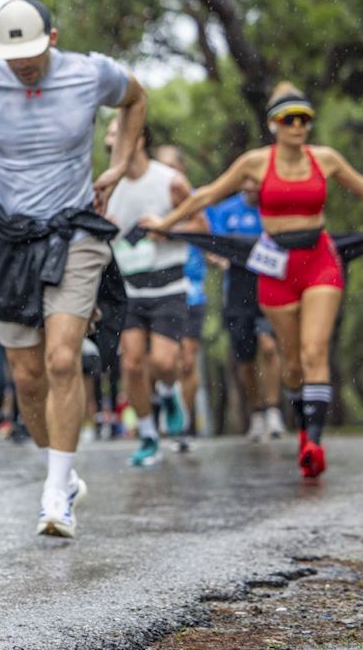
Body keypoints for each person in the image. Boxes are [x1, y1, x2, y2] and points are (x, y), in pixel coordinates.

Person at [0, 0, 147, 539]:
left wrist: (119, 165)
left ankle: (55, 495)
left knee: (60, 358)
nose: (22, 64)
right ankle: (63, 471)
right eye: (13, 55)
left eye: (31, 52)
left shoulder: (89, 72)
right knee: (26, 379)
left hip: (75, 230)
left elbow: (135, 97)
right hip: (12, 237)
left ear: (52, 38)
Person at [143, 83, 363, 479]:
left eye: (304, 119)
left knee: (315, 350)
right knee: (292, 361)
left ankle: (313, 441)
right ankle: (298, 415)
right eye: (288, 119)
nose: (298, 126)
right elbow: (206, 196)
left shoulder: (326, 159)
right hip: (276, 267)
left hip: (319, 261)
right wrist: (165, 223)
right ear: (273, 124)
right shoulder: (255, 164)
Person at [102, 121, 201, 467]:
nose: (109, 140)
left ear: (139, 137)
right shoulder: (106, 187)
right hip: (128, 287)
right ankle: (147, 435)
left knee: (162, 362)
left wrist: (167, 229)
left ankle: (168, 391)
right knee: (130, 363)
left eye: (118, 133)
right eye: (108, 136)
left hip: (169, 286)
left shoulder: (169, 181)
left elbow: (201, 228)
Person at [205, 176, 285, 440]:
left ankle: (274, 411)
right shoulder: (225, 211)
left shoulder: (275, 210)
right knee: (245, 359)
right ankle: (257, 411)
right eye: (249, 182)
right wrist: (218, 259)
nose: (253, 187)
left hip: (269, 286)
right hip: (237, 292)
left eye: (258, 182)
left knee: (269, 347)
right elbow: (211, 246)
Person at [155, 143, 207, 451]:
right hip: (157, 286)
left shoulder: (194, 197)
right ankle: (166, 396)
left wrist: (168, 228)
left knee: (188, 359)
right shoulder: (149, 196)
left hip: (191, 286)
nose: (168, 173)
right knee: (163, 359)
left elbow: (203, 227)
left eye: (173, 166)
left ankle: (183, 427)